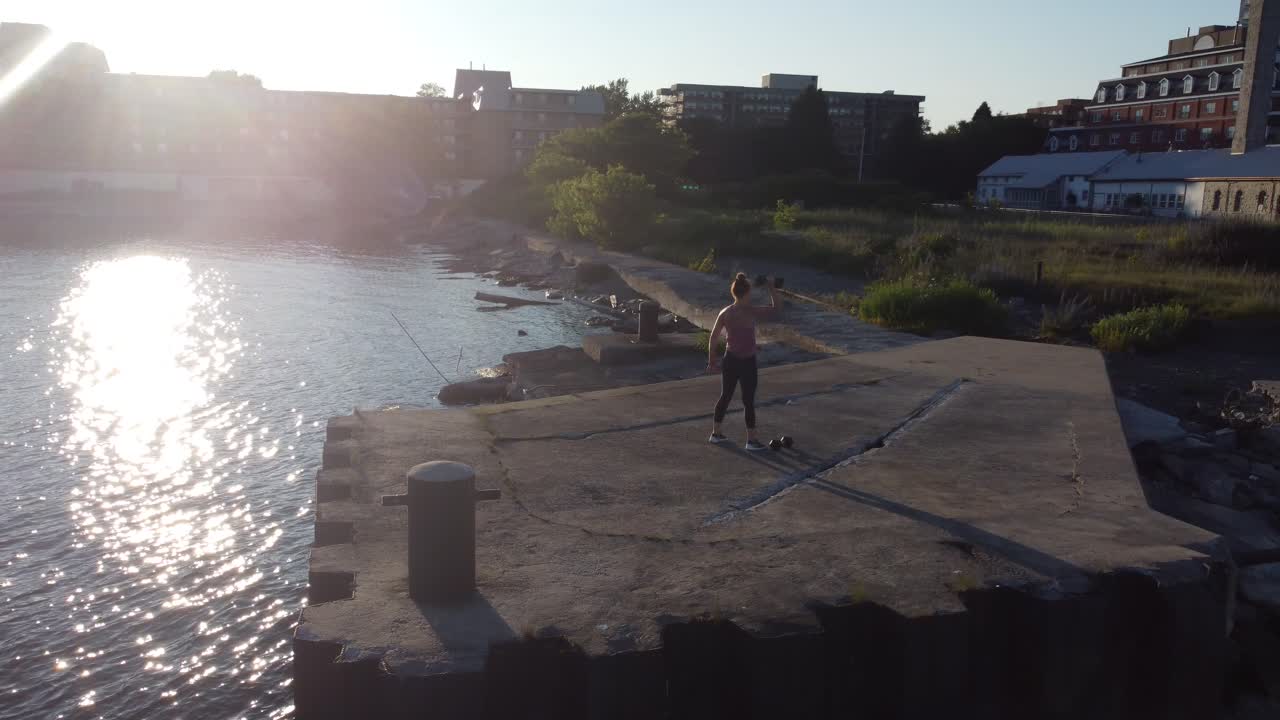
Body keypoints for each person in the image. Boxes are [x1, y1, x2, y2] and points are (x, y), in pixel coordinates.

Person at [706, 272, 780, 451]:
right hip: (747, 361)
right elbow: (776, 307)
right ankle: (751, 441)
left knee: (726, 396)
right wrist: (771, 287)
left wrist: (711, 361)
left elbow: (714, 337)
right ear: (747, 293)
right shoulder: (751, 310)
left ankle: (716, 434)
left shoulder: (725, 312)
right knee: (748, 401)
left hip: (730, 359)